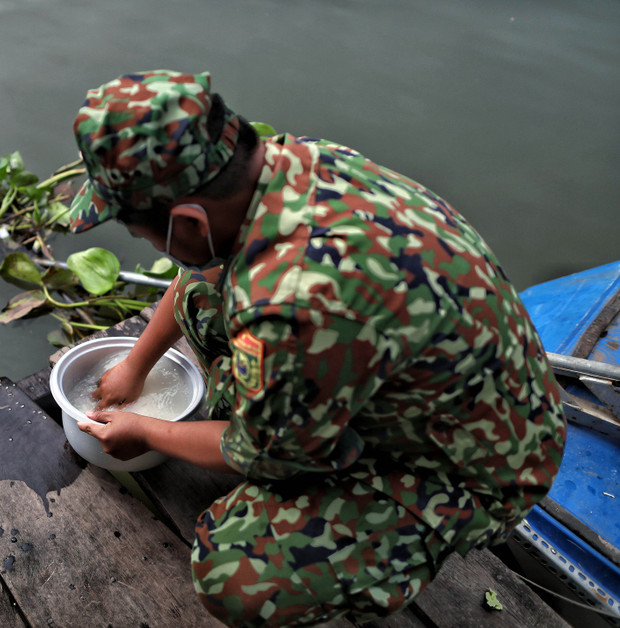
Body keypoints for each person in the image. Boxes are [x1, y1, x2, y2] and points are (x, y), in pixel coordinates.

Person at [66, 70, 566, 626]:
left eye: (144, 234)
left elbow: (259, 454)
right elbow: (202, 268)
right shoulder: (295, 162)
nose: (149, 244)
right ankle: (300, 421)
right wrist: (137, 363)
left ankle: (390, 539)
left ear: (188, 218)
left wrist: (148, 430)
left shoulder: (294, 303)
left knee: (234, 574)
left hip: (474, 464)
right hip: (441, 377)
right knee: (204, 295)